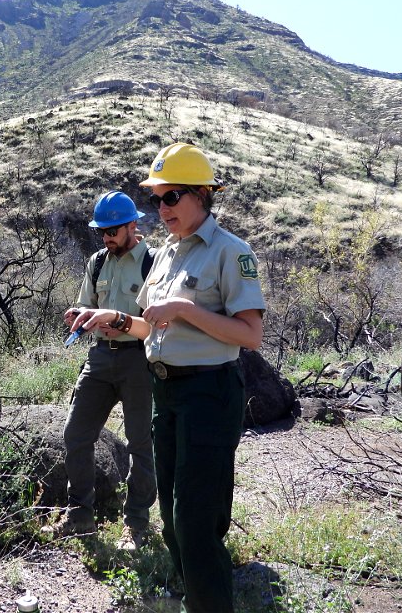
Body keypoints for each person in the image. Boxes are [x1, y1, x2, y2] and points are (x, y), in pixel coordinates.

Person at [70, 143, 265, 613]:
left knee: (196, 518)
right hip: (165, 388)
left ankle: (209, 602)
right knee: (175, 519)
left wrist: (183, 309)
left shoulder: (229, 252)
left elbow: (250, 335)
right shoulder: (168, 255)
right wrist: (112, 318)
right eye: (157, 199)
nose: (161, 208)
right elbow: (146, 327)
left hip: (208, 391)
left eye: (171, 196)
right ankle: (193, 589)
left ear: (201, 194)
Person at [47, 190, 157, 551]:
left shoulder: (153, 263)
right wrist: (79, 316)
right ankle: (79, 514)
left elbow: (162, 323)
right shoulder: (97, 262)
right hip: (99, 358)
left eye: (113, 230)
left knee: (140, 442)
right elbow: (87, 303)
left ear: (132, 226)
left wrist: (124, 323)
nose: (107, 237)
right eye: (102, 231)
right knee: (76, 433)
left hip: (138, 360)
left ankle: (137, 523)